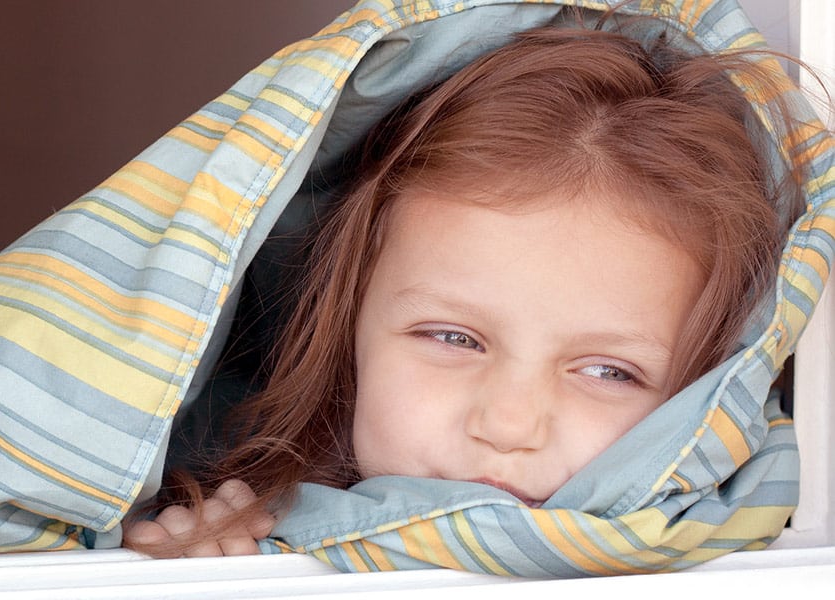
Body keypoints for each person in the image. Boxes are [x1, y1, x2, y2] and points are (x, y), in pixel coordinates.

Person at [121, 20, 810, 559]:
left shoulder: (745, 545)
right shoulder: (240, 517)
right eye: (453, 337)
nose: (508, 425)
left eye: (610, 371)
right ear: (348, 322)